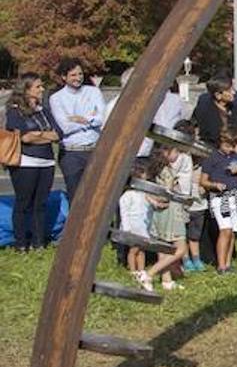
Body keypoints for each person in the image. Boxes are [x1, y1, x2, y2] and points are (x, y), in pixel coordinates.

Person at [5, 73, 60, 252]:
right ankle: (20, 243)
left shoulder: (43, 111)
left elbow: (58, 134)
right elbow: (24, 137)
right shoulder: (15, 111)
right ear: (27, 90)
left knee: (40, 204)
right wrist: (44, 135)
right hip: (25, 163)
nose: (42, 89)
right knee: (23, 203)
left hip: (47, 163)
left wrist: (39, 135)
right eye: (38, 86)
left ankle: (38, 243)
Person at [48, 57, 106, 201]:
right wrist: (91, 119)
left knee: (96, 196)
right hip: (71, 153)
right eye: (73, 75)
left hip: (94, 150)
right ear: (64, 77)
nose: (78, 78)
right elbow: (65, 127)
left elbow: (102, 118)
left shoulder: (94, 92)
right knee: (75, 196)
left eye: (80, 74)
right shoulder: (56, 98)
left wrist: (81, 119)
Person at [200, 128, 237, 274]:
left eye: (232, 146)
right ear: (221, 142)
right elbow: (203, 181)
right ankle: (221, 266)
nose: (229, 149)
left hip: (236, 197)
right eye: (227, 146)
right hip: (221, 198)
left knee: (233, 231)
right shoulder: (212, 158)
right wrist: (215, 185)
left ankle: (228, 264)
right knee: (225, 230)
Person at [119, 158, 167, 292]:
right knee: (134, 249)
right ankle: (133, 270)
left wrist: (159, 205)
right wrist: (126, 228)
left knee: (142, 249)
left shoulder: (144, 194)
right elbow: (124, 212)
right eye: (145, 174)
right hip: (133, 226)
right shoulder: (128, 195)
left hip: (143, 226)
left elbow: (152, 204)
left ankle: (141, 269)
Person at [146, 143, 190, 290]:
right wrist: (173, 186)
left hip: (159, 214)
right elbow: (166, 195)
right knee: (181, 249)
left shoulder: (154, 170)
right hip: (172, 213)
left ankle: (166, 280)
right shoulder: (167, 172)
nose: (177, 155)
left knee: (163, 248)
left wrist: (153, 201)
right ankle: (149, 274)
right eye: (176, 151)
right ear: (166, 152)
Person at [174, 119, 209, 273]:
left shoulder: (195, 154)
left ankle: (196, 258)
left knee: (194, 232)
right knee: (181, 232)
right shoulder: (175, 155)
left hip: (194, 199)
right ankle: (185, 259)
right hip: (179, 197)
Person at [193, 76, 237, 147]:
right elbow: (209, 135)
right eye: (229, 91)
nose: (233, 93)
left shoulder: (235, 108)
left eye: (233, 89)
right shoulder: (205, 111)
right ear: (218, 95)